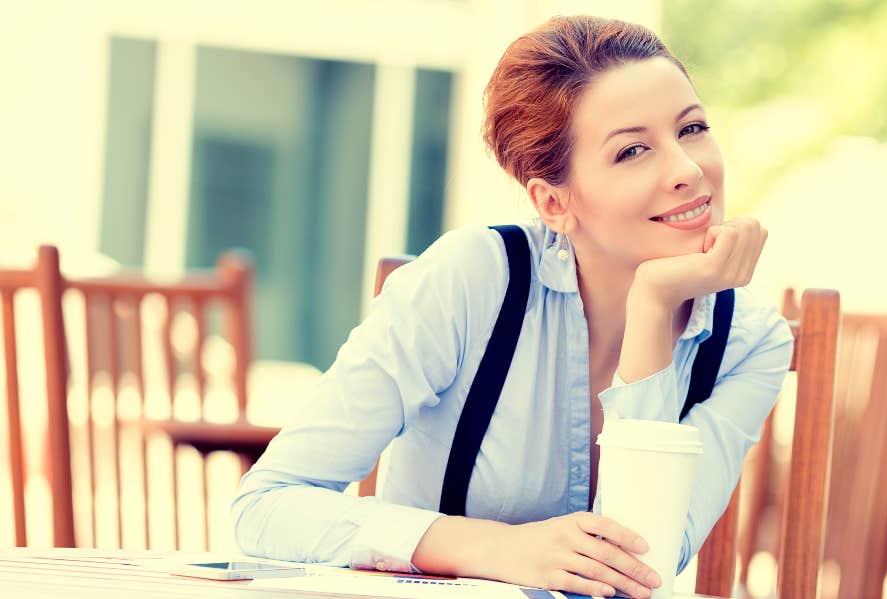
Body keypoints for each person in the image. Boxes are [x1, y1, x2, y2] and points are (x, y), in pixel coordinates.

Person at [232, 14, 793, 599]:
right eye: (633, 150)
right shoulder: (470, 282)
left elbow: (637, 564)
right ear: (553, 202)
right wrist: (492, 548)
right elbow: (267, 507)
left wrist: (654, 303)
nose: (687, 169)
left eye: (693, 128)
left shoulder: (749, 339)